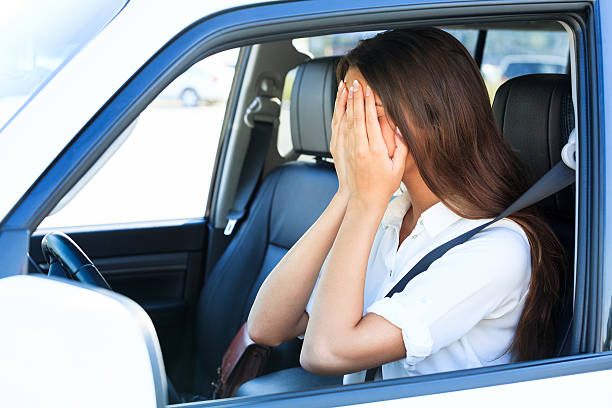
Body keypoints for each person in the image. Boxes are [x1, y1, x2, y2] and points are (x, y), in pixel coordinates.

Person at [247, 28, 566, 384]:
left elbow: (326, 352)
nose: (353, 129)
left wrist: (365, 201)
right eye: (348, 109)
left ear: (433, 119)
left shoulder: (498, 249)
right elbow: (267, 326)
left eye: (370, 112)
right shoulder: (390, 214)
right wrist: (347, 194)